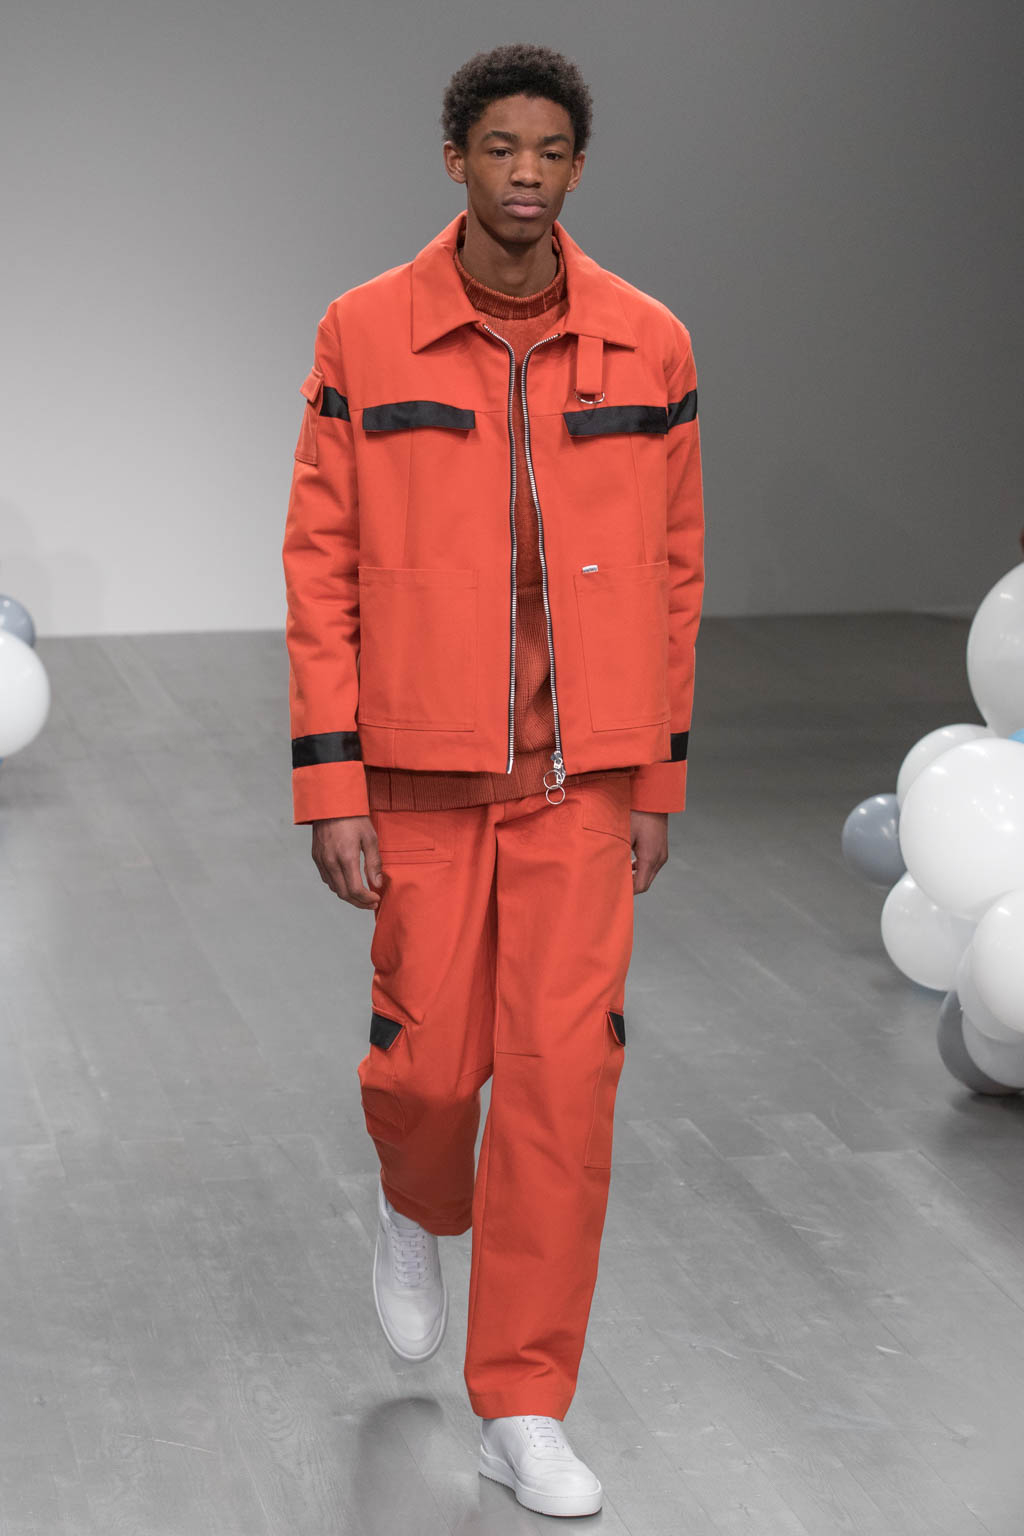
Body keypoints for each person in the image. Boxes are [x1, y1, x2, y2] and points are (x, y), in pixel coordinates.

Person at [281, 41, 705, 1519]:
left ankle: (523, 1405)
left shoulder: (650, 343)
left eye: (552, 150)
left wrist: (659, 777)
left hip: (584, 777)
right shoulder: (364, 331)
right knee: (426, 1069)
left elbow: (674, 571)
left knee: (563, 1090)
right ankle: (415, 1197)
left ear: (578, 168)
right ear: (455, 158)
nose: (527, 173)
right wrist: (330, 784)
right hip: (418, 769)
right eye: (501, 148)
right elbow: (321, 561)